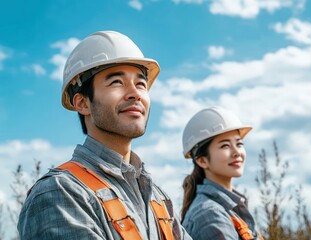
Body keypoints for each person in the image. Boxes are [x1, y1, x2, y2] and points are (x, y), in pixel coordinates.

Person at [17, 30, 191, 240]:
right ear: (82, 103)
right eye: (116, 82)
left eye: (141, 84)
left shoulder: (158, 200)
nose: (135, 93)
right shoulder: (61, 193)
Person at [181, 106, 263, 240]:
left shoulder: (229, 209)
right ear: (202, 161)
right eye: (225, 145)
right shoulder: (209, 215)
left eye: (239, 144)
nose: (237, 152)